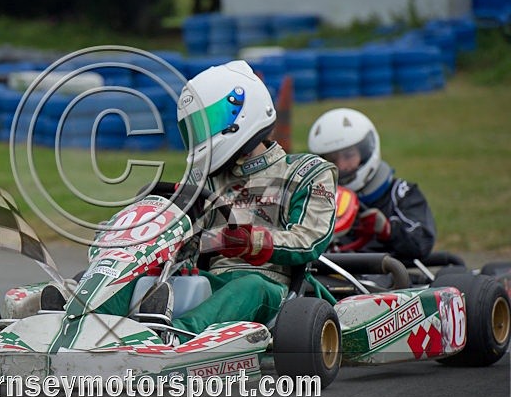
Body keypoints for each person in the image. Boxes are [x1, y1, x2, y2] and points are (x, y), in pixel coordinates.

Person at [79, 60, 338, 339]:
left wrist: (254, 242)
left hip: (270, 287)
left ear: (241, 112)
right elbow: (178, 238)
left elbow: (310, 238)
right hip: (208, 281)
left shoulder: (305, 172)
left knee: (248, 286)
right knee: (137, 276)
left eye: (209, 123)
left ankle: (173, 337)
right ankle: (85, 321)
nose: (202, 135)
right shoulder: (204, 182)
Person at [307, 108, 436, 260]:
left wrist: (387, 229)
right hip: (326, 273)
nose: (341, 166)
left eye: (348, 156)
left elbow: (422, 243)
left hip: (385, 275)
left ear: (367, 151)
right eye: (332, 160)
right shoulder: (315, 199)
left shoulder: (400, 192)